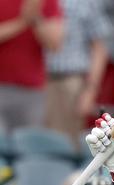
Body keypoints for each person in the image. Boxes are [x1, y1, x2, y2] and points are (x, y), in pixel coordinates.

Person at [44, 0, 110, 150]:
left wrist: (90, 90)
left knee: (69, 145)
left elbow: (99, 48)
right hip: (36, 82)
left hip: (72, 80)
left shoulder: (87, 3)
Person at [0, 0, 64, 132]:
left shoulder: (45, 2)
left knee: (29, 144)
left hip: (31, 90)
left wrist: (36, 18)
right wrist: (23, 22)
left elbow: (54, 44)